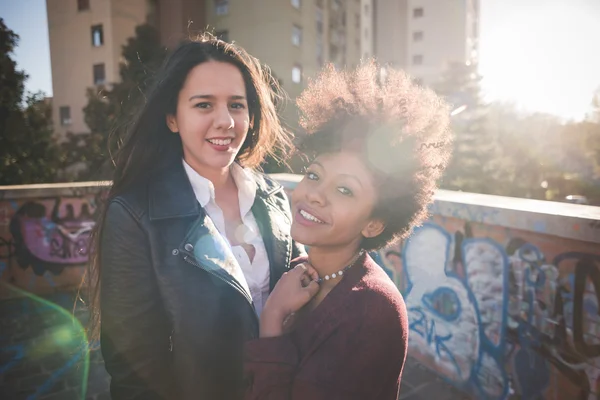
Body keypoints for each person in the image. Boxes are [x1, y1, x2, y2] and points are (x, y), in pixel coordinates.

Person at [85, 35, 305, 400]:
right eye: (204, 105)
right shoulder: (135, 215)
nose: (226, 121)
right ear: (172, 118)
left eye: (237, 105)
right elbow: (134, 373)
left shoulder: (273, 197)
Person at [243, 61, 453, 399]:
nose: (314, 194)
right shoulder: (300, 272)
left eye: (344, 190)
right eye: (313, 175)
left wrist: (272, 319)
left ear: (374, 222)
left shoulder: (372, 309)